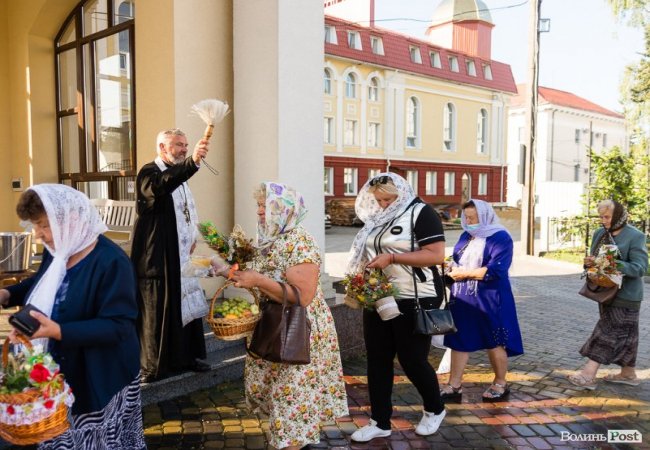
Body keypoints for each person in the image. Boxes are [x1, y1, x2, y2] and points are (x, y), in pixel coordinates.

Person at [0, 184, 145, 449]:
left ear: (72, 219)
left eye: (44, 225)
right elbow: (42, 281)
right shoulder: (59, 250)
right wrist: (8, 294)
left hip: (99, 375)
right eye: (35, 225)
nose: (38, 235)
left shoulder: (112, 262)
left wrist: (58, 331)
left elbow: (119, 326)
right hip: (61, 371)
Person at [220, 182, 348, 450]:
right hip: (274, 324)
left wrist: (258, 280)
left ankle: (291, 443)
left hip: (298, 330)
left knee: (293, 404)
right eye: (258, 206)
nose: (259, 211)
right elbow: (262, 272)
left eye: (265, 206)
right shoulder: (270, 238)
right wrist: (225, 270)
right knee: (280, 397)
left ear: (284, 210)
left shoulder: (299, 241)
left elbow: (303, 296)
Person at [346, 173, 447, 442]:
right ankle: (379, 421)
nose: (383, 205)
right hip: (379, 295)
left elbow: (436, 255)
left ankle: (435, 408)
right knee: (377, 359)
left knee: (412, 360)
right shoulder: (378, 218)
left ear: (401, 194)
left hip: (416, 296)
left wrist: (392, 257)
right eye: (378, 200)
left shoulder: (421, 212)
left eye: (388, 200)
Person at [131, 128, 211, 383]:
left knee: (184, 304)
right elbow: (161, 186)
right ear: (162, 148)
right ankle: (153, 366)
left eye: (186, 145)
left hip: (181, 252)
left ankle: (187, 358)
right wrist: (192, 162)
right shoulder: (148, 172)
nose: (184, 149)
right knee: (158, 308)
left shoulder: (180, 175)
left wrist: (192, 235)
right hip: (157, 256)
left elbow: (186, 209)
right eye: (178, 144)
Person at [440, 199, 523, 401]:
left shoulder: (500, 237)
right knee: (459, 340)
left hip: (490, 297)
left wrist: (464, 273)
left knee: (494, 340)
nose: (468, 222)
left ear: (485, 216)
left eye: (473, 218)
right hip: (463, 296)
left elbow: (497, 269)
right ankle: (454, 385)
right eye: (466, 217)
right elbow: (457, 259)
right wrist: (449, 267)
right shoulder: (466, 235)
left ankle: (500, 383)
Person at [568, 199, 647, 389]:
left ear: (618, 215)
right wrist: (589, 263)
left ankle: (588, 375)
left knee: (607, 333)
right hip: (605, 291)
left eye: (607, 217)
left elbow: (640, 268)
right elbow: (595, 260)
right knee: (628, 335)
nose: (603, 220)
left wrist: (613, 263)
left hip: (627, 295)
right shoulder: (599, 233)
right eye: (601, 217)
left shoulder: (635, 236)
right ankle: (628, 374)